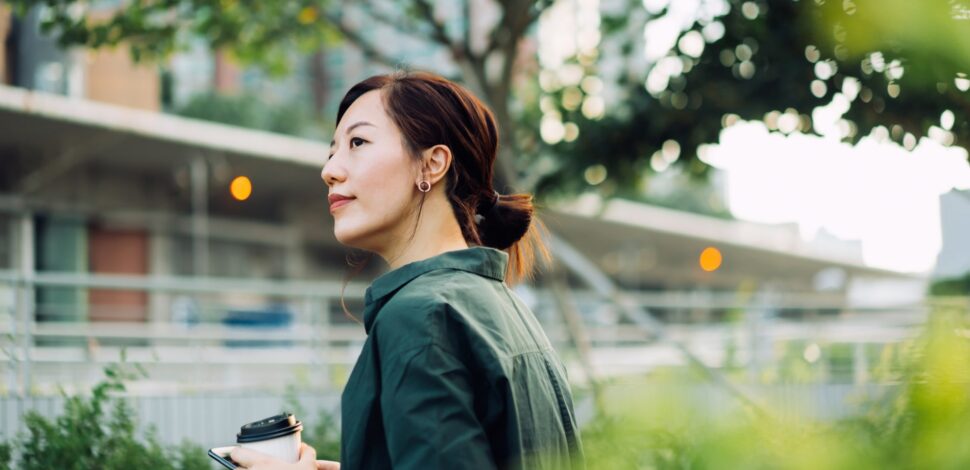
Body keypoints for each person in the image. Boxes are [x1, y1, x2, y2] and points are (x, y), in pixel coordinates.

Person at [231, 71, 584, 470]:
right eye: (333, 150)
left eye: (358, 143)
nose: (329, 169)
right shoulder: (505, 308)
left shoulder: (421, 316)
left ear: (432, 164)